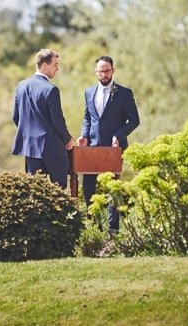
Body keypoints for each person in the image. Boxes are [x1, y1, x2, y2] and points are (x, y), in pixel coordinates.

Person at [77, 55, 140, 232]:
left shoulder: (124, 93)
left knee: (113, 188)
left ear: (113, 70)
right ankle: (93, 227)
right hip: (92, 149)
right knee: (88, 187)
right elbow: (87, 118)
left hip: (113, 149)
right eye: (101, 71)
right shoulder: (89, 92)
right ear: (95, 72)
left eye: (107, 71)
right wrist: (83, 135)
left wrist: (118, 136)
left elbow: (134, 120)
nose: (104, 74)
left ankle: (113, 229)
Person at [12, 49, 74, 188]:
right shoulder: (51, 89)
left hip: (30, 148)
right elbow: (57, 120)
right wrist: (67, 138)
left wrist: (29, 133)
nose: (57, 68)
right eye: (55, 64)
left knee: (34, 194)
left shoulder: (21, 86)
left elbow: (16, 117)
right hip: (52, 149)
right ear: (44, 65)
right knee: (59, 191)